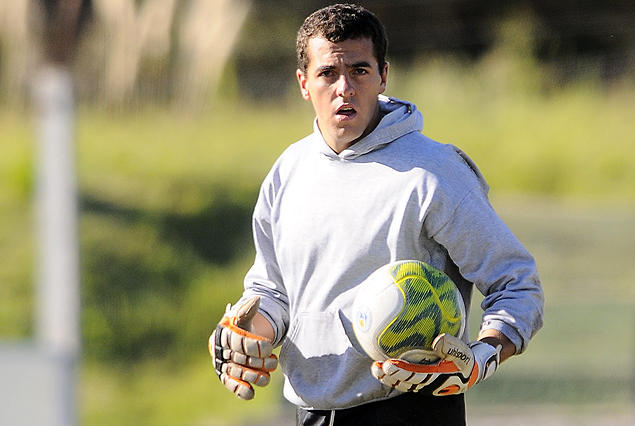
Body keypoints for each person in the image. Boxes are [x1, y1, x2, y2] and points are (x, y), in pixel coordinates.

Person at [209, 4, 544, 426]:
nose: (344, 87)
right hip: (309, 412)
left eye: (360, 71)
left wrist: (482, 357)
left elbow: (517, 284)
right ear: (303, 83)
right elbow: (273, 291)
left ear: (383, 76)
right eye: (328, 73)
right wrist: (243, 336)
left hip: (412, 411)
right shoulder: (287, 172)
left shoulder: (433, 174)